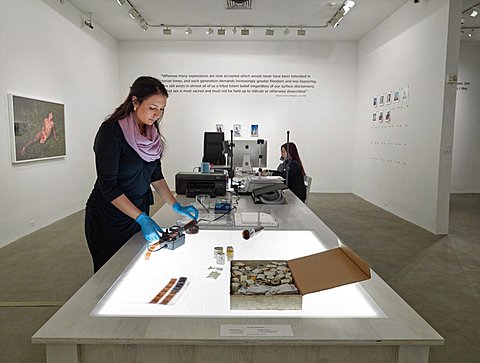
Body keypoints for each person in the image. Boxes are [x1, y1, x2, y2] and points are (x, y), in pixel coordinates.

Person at [84, 76, 198, 273]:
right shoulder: (111, 132)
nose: (157, 114)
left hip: (138, 211)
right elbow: (108, 186)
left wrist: (175, 205)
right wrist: (142, 219)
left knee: (134, 268)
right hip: (109, 218)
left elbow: (156, 174)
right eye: (153, 107)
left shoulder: (151, 132)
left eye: (162, 109)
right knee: (108, 274)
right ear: (135, 102)